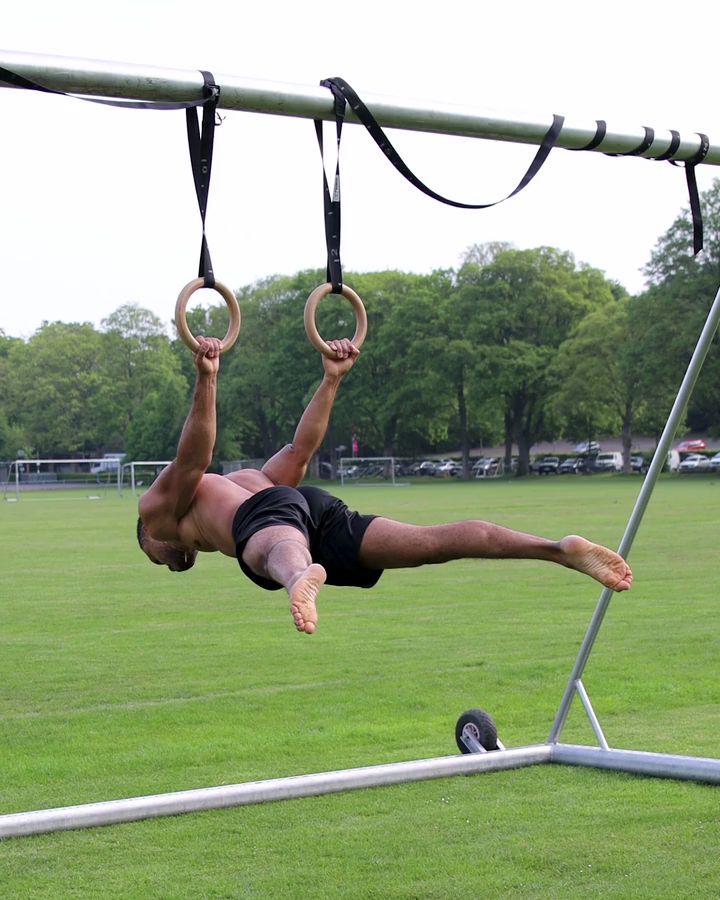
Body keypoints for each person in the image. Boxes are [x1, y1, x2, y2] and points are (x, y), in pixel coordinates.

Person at [137, 336, 632, 635]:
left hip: (280, 525)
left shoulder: (162, 513)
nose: (168, 561)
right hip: (306, 509)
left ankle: (299, 579)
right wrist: (331, 379)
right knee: (432, 543)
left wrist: (208, 378)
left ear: (151, 537)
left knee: (269, 550)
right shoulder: (246, 482)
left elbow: (193, 458)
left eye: (155, 557)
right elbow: (299, 451)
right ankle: (555, 549)